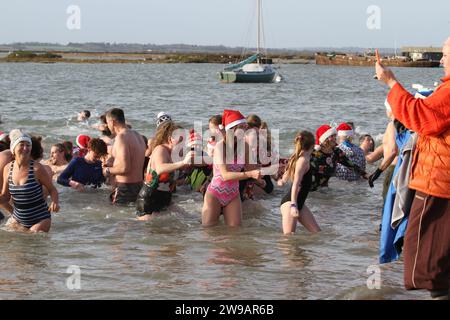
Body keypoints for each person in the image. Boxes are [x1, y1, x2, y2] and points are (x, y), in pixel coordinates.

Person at [375, 37, 450, 299]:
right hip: (437, 182)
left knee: (428, 263)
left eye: (444, 55)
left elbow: (423, 118)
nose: (440, 60)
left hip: (438, 184)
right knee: (437, 260)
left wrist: (391, 82)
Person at [202, 110, 261, 227]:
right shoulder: (220, 147)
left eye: (245, 127)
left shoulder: (245, 146)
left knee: (235, 233)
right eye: (242, 127)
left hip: (233, 194)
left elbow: (251, 169)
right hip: (215, 193)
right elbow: (225, 175)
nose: (245, 130)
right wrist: (250, 174)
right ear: (232, 129)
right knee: (209, 231)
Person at [0, 129, 59, 233]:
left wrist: (55, 202)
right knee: (11, 244)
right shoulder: (7, 168)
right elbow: (5, 196)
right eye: (21, 144)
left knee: (30, 242)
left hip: (40, 219)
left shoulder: (37, 168)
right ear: (13, 148)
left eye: (28, 145)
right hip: (18, 218)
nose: (25, 148)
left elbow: (52, 189)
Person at [135, 122, 194, 220]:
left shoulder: (176, 154)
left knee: (190, 220)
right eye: (180, 140)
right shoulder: (160, 149)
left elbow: (183, 167)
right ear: (170, 139)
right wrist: (183, 162)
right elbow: (160, 169)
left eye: (184, 140)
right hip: (149, 199)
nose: (182, 143)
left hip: (166, 199)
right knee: (149, 231)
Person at [278, 131, 321, 234]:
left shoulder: (299, 156)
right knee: (289, 239)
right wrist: (293, 205)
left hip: (300, 204)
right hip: (291, 204)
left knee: (317, 233)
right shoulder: (302, 161)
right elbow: (296, 184)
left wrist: (282, 181)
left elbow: (286, 175)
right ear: (312, 145)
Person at [103, 108, 146, 205]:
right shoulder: (138, 135)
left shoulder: (121, 137)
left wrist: (107, 170)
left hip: (125, 188)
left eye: (107, 122)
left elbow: (124, 168)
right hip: (139, 185)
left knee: (118, 219)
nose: (107, 126)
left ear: (112, 122)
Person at [310, 125, 367, 191]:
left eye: (335, 135)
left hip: (324, 190)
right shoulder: (314, 154)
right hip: (309, 193)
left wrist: (364, 174)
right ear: (324, 139)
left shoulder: (336, 151)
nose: (335, 138)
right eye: (332, 136)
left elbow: (350, 164)